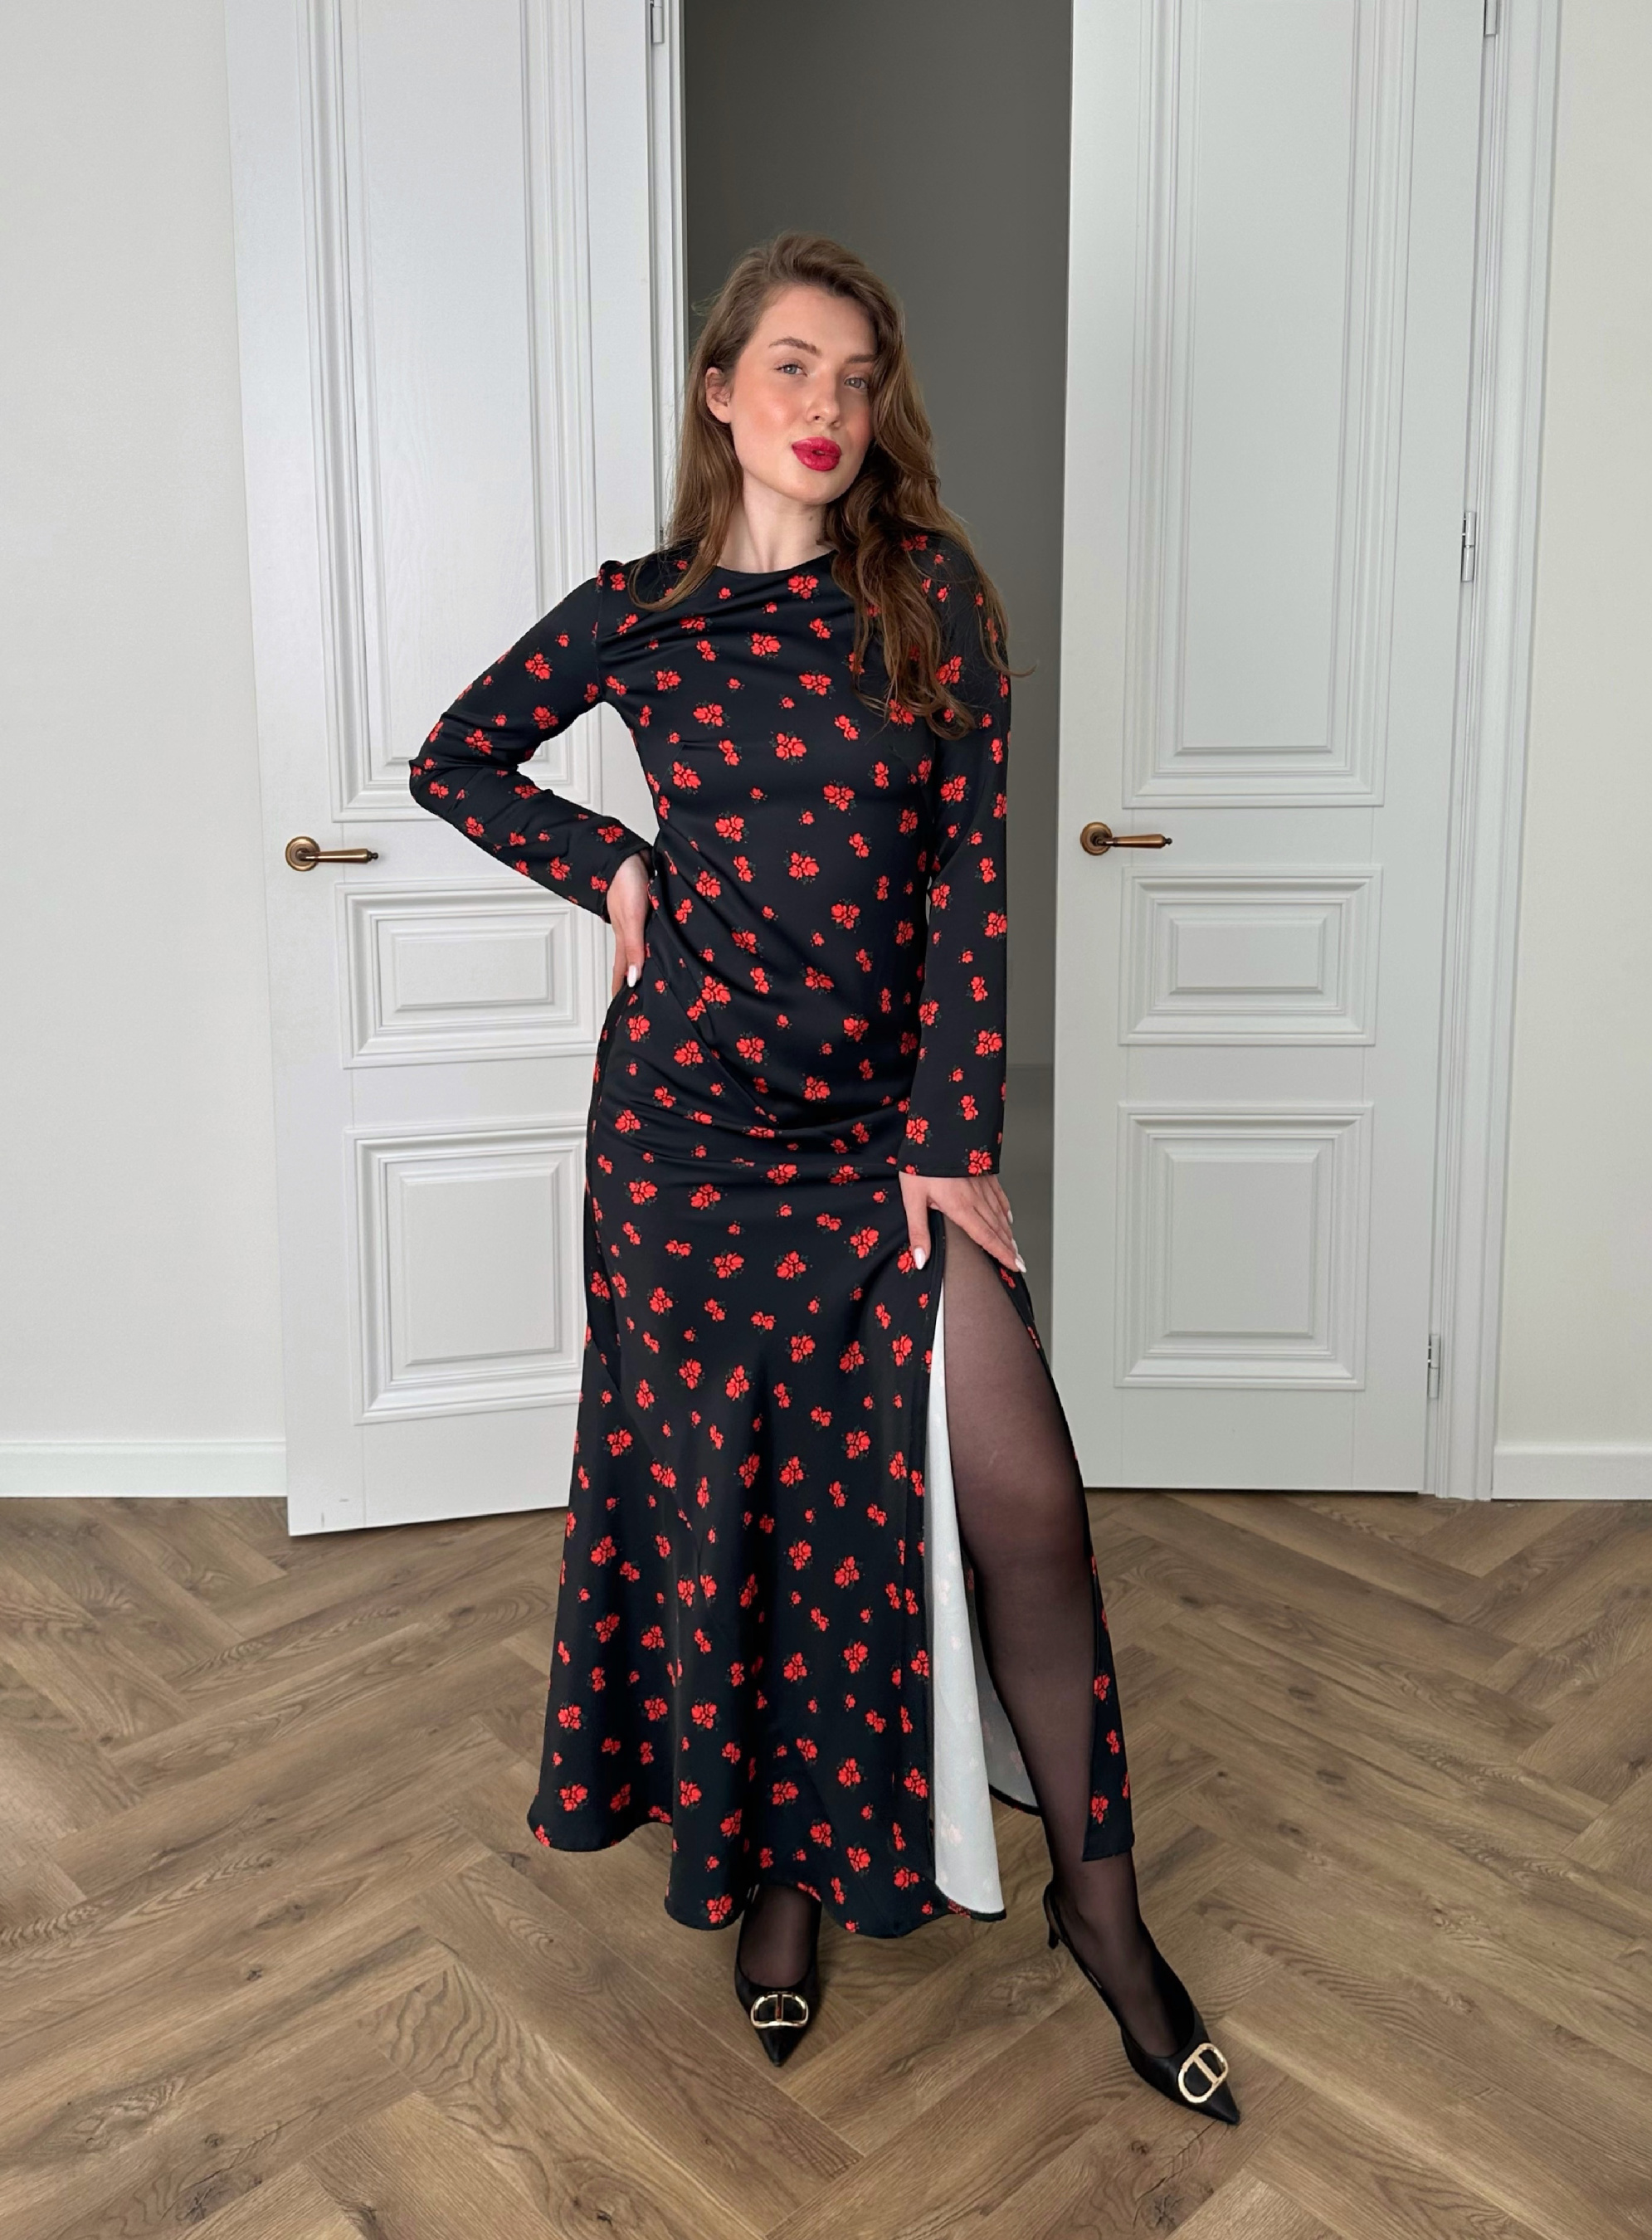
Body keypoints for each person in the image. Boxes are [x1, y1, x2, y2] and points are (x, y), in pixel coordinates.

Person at [410, 231, 1237, 2123]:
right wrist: (611, 867)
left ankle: (1104, 1916)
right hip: (681, 1148)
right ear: (720, 392)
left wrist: (949, 1143)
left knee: (1028, 1507)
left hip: (875, 1148)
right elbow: (457, 759)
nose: (827, 409)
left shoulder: (927, 595)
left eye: (857, 379)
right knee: (739, 1524)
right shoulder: (635, 614)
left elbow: (968, 889)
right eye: (791, 368)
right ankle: (772, 1884)